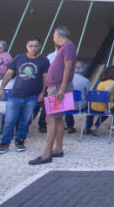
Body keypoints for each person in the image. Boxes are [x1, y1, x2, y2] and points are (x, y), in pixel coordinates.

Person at [29, 26, 76, 165]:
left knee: (51, 119)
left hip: (57, 87)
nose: (53, 38)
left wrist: (61, 87)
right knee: (58, 118)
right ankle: (58, 148)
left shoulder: (67, 46)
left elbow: (67, 66)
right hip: (58, 86)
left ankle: (47, 152)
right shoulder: (68, 47)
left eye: (54, 36)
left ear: (59, 35)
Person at [0, 37, 49, 153]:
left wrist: (43, 92)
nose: (33, 48)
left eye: (36, 46)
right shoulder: (19, 58)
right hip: (16, 94)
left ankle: (20, 141)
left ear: (39, 46)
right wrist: (1, 88)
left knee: (25, 121)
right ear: (27, 46)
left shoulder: (44, 61)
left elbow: (45, 77)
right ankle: (4, 143)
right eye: (31, 46)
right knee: (9, 120)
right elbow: (9, 73)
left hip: (32, 95)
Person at [85, 66, 114, 136]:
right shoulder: (113, 82)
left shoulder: (101, 82)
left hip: (94, 106)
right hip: (104, 106)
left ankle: (95, 127)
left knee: (110, 109)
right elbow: (105, 95)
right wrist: (106, 108)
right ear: (112, 74)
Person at [70, 61, 90, 134]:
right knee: (90, 108)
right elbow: (88, 95)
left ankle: (70, 126)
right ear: (83, 69)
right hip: (80, 106)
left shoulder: (67, 79)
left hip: (67, 106)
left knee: (69, 102)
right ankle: (88, 127)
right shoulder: (85, 80)